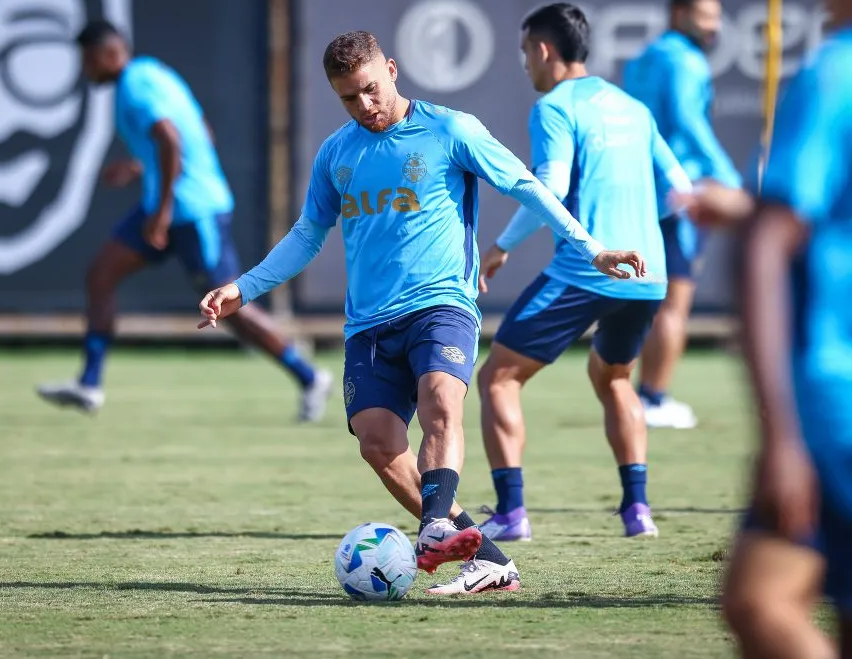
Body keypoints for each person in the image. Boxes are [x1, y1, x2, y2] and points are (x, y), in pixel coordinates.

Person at [198, 30, 646, 593]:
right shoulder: (337, 153)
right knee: (379, 444)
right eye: (348, 98)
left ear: (391, 69)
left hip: (442, 304)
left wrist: (592, 248)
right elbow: (308, 234)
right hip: (368, 325)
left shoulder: (450, 129)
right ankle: (487, 557)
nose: (364, 106)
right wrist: (243, 287)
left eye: (370, 89)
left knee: (440, 402)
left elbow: (527, 186)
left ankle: (434, 524)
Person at [36, 21, 333, 421]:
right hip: (169, 203)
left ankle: (310, 376)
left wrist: (159, 214)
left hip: (192, 211)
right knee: (102, 274)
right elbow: (200, 132)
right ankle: (89, 384)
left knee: (229, 305)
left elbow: (173, 140)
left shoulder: (135, 87)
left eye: (87, 61)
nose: (85, 70)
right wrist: (142, 169)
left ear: (109, 54)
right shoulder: (155, 73)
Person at [677, 0, 852, 650]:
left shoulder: (836, 71)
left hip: (831, 405)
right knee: (759, 597)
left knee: (762, 600)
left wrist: (781, 433)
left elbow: (767, 251)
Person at [474, 3, 691, 542]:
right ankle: (637, 512)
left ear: (544, 50)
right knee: (614, 376)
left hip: (587, 271)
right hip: (649, 274)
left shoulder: (553, 107)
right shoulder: (633, 108)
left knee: (497, 377)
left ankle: (510, 514)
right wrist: (641, 228)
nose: (526, 64)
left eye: (526, 52)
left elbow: (545, 183)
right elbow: (679, 188)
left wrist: (499, 247)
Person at [623, 0, 742, 429]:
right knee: (676, 301)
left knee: (652, 299)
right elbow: (689, 122)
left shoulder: (645, 58)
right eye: (703, 16)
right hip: (677, 194)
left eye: (715, 16)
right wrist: (729, 178)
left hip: (643, 190)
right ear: (679, 14)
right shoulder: (685, 61)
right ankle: (653, 397)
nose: (712, 25)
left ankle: (642, 394)